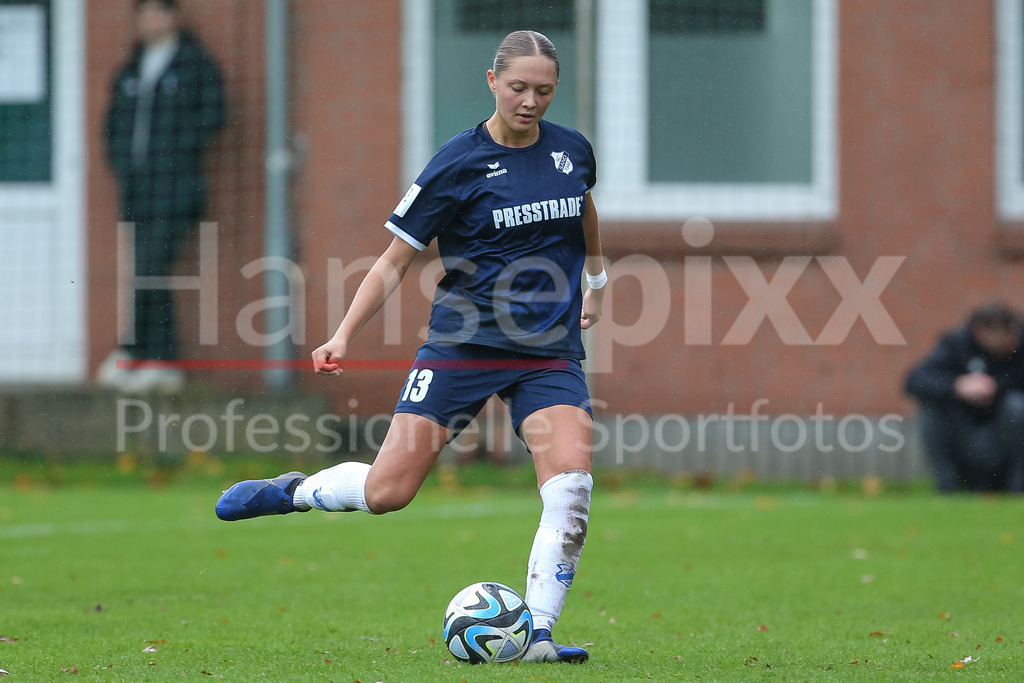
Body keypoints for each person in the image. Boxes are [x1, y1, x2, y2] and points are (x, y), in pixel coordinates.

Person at [216, 30, 605, 664]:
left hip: (548, 350)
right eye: (518, 88)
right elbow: (395, 261)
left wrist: (595, 280)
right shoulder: (457, 163)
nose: (530, 102)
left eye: (543, 90)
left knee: (571, 488)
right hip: (464, 346)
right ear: (491, 82)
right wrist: (343, 332)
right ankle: (294, 490)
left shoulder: (572, 151)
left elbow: (583, 210)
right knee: (388, 492)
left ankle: (536, 634)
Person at [97, 0, 226, 394]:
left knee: (154, 265)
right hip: (138, 188)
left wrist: (175, 154)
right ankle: (137, 352)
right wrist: (126, 165)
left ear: (175, 17)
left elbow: (215, 116)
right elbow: (112, 127)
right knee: (141, 269)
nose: (152, 18)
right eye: (145, 11)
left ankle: (162, 358)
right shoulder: (130, 69)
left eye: (160, 10)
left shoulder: (195, 65)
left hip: (178, 188)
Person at [904, 302, 1024, 492]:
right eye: (1004, 337)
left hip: (1007, 437)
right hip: (964, 434)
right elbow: (914, 381)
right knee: (932, 409)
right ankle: (948, 487)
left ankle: (1018, 488)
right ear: (981, 332)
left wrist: (998, 387)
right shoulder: (956, 344)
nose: (1012, 342)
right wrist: (957, 387)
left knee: (1017, 406)